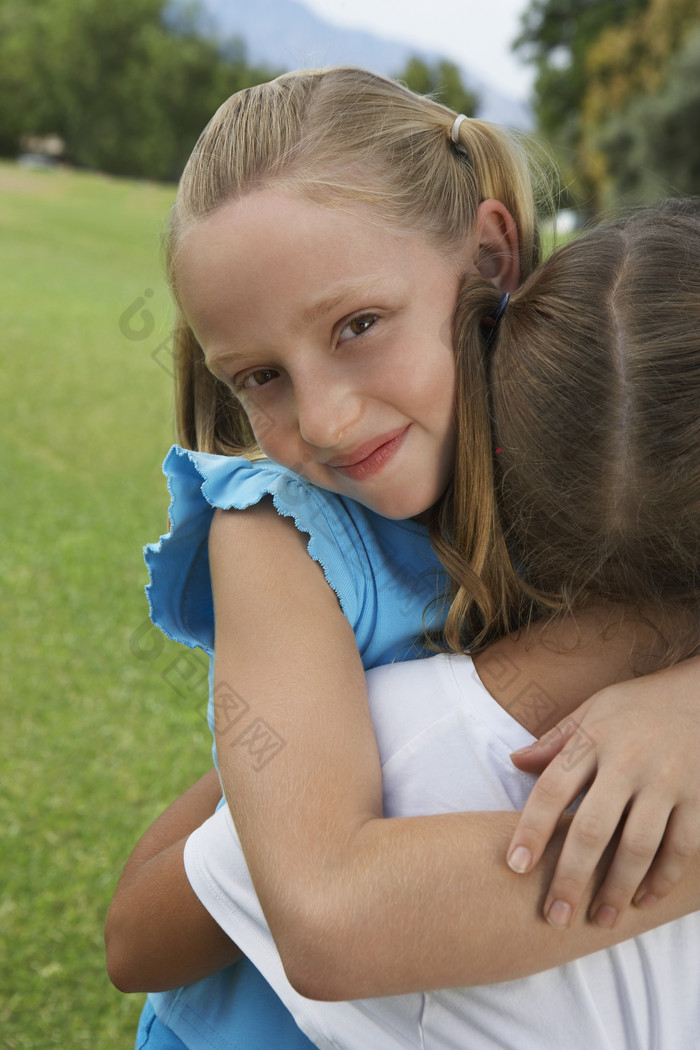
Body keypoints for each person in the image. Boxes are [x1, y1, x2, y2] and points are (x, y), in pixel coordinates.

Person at [105, 65, 700, 1049]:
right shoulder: (278, 532)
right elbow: (324, 919)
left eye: (358, 327)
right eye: (260, 377)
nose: (324, 420)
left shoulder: (593, 458)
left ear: (490, 254)